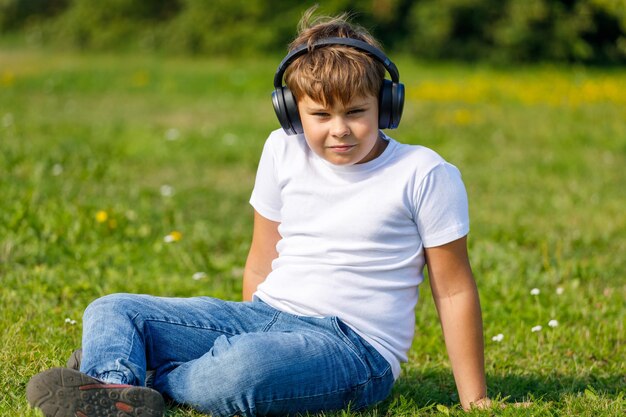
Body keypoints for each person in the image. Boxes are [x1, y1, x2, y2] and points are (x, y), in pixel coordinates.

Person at [26, 8, 490, 417]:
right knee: (113, 309)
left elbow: (452, 290)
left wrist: (475, 400)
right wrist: (251, 335)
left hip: (354, 349)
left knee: (243, 370)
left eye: (356, 111)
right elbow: (261, 257)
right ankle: (111, 392)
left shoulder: (424, 173)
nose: (341, 130)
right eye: (321, 116)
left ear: (387, 105)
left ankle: (137, 380)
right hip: (267, 316)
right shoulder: (281, 149)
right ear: (291, 111)